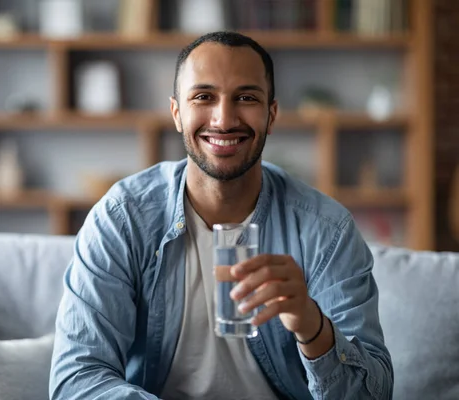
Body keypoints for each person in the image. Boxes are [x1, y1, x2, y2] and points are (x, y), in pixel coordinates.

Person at [49, 31, 393, 400]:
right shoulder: (123, 219)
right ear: (177, 113)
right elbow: (77, 381)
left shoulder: (326, 231)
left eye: (246, 98)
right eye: (203, 97)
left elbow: (372, 395)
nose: (224, 119)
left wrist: (313, 327)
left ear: (271, 115)